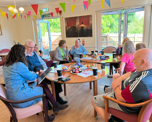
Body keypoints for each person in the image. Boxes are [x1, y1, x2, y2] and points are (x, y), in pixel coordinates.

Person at [3, 44, 68, 122]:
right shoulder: (19, 65)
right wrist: (38, 73)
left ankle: (54, 105)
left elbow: (22, 76)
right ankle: (48, 116)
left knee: (42, 85)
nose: (24, 54)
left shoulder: (6, 65)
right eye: (24, 52)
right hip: (20, 99)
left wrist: (35, 74)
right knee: (43, 91)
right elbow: (31, 77)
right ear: (20, 54)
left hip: (12, 97)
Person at [92, 48, 152, 122]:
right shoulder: (145, 70)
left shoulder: (140, 83)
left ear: (143, 62)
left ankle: (110, 120)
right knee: (108, 89)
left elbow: (119, 97)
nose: (132, 61)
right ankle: (116, 117)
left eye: (134, 59)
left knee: (95, 100)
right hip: (128, 95)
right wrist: (119, 80)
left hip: (125, 106)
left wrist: (116, 83)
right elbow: (131, 73)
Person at [25, 40, 68, 105]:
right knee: (48, 81)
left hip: (42, 72)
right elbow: (26, 71)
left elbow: (42, 62)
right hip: (35, 75)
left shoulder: (35, 54)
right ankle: (48, 101)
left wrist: (45, 70)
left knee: (55, 77)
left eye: (33, 47)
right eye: (30, 47)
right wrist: (37, 73)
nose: (32, 49)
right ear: (25, 46)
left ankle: (57, 97)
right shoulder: (23, 57)